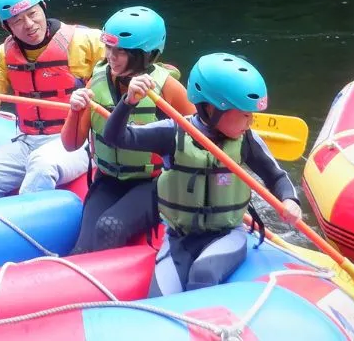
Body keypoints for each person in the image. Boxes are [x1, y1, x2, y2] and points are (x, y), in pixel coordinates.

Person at [101, 52, 303, 297]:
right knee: (159, 297)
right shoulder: (174, 132)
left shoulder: (247, 141)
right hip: (178, 238)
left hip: (227, 234)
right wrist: (128, 101)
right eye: (245, 114)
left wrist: (290, 200)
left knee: (203, 274)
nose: (250, 121)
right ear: (212, 108)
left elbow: (276, 176)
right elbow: (115, 137)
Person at [0, 0, 106, 200]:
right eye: (17, 21)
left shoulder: (87, 41)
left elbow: (124, 67)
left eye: (33, 14)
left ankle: (25, 214)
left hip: (78, 140)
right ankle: (8, 217)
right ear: (7, 27)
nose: (29, 24)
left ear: (43, 8)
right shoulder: (0, 56)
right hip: (27, 141)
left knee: (42, 164)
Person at [62, 6, 196, 254]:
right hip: (108, 179)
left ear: (146, 54)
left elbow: (201, 139)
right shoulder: (97, 81)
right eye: (108, 48)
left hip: (154, 183)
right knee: (82, 249)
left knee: (109, 227)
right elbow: (71, 145)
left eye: (121, 51)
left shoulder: (168, 89)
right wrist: (75, 110)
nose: (111, 56)